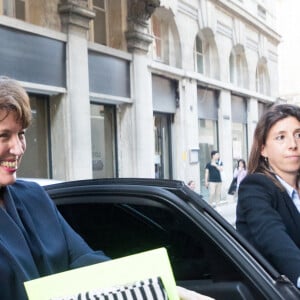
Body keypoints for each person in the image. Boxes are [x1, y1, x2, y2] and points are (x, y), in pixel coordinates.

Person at [0, 76, 213, 300]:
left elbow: (88, 264)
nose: (18, 148)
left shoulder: (34, 197)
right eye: (4, 135)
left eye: (21, 133)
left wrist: (174, 291)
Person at [236, 103, 300, 289]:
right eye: (281, 137)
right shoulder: (255, 186)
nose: (293, 145)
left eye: (298, 135)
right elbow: (271, 236)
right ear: (263, 149)